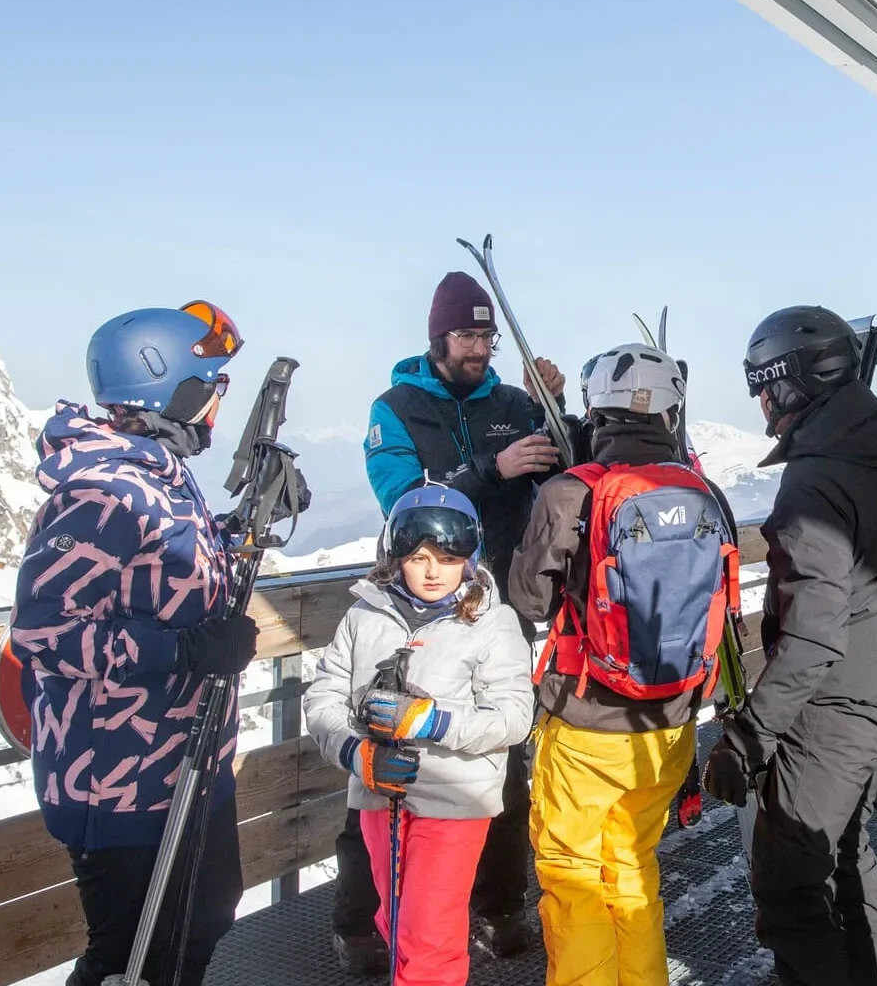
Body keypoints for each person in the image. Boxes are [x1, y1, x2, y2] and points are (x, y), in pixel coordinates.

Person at [10, 301, 261, 986]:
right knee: (132, 959)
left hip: (183, 762)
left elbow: (158, 577)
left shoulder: (156, 475)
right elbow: (46, 633)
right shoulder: (99, 493)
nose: (217, 400)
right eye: (210, 384)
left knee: (200, 925)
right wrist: (182, 651)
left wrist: (237, 534)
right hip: (118, 780)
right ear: (168, 386)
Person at [333, 270, 565, 969]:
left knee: (498, 762)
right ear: (438, 337)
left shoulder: (513, 402)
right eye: (467, 334)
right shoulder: (396, 408)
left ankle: (497, 909)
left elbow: (566, 468)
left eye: (486, 335)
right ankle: (364, 924)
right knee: (383, 761)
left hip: (494, 609)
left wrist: (553, 407)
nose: (479, 348)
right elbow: (401, 499)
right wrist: (492, 469)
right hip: (413, 607)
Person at [705, 306, 877, 986]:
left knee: (789, 876)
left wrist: (748, 738)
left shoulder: (814, 482)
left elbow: (812, 632)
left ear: (794, 382)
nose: (764, 406)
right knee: (838, 853)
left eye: (766, 389)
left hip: (837, 697)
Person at [508, 343, 739, 986]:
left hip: (586, 719)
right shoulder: (705, 491)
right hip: (670, 724)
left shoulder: (570, 492)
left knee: (572, 875)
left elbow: (528, 597)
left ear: (595, 409)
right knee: (633, 866)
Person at [304, 486, 534, 986]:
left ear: (469, 561)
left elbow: (513, 717)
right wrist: (357, 752)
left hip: (455, 799)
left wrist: (430, 721)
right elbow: (323, 700)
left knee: (429, 932)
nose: (433, 572)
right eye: (420, 558)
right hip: (377, 792)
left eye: (449, 559)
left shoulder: (493, 625)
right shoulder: (364, 616)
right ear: (396, 557)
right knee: (396, 917)